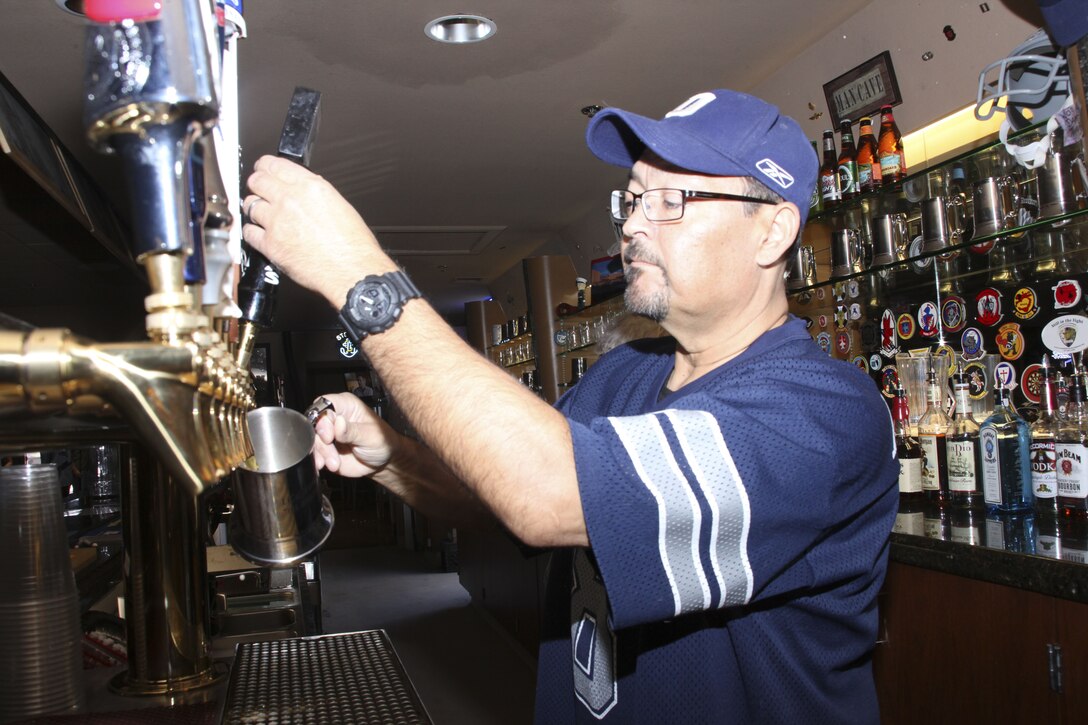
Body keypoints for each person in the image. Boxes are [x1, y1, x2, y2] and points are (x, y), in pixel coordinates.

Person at [242, 88, 899, 724]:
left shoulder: (822, 414)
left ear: (772, 230)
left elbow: (548, 494)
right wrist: (393, 456)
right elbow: (503, 503)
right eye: (634, 197)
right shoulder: (623, 375)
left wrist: (356, 274)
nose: (635, 223)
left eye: (670, 199)